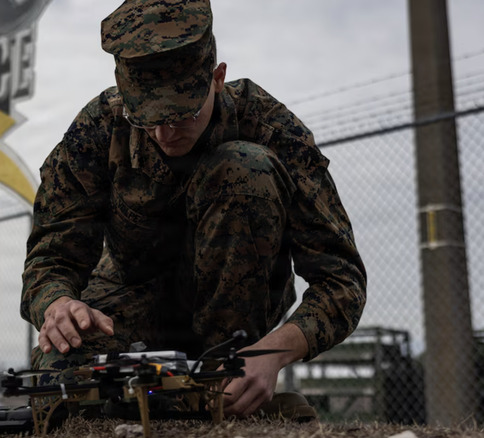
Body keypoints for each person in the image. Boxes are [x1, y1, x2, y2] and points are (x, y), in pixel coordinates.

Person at [20, 0, 366, 419]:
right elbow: (50, 259)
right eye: (147, 116)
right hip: (128, 306)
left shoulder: (272, 129)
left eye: (182, 115)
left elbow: (341, 281)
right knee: (61, 379)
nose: (165, 133)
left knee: (244, 167)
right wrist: (58, 305)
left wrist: (271, 353)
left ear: (217, 79)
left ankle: (228, 379)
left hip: (236, 320)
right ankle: (194, 401)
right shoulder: (98, 130)